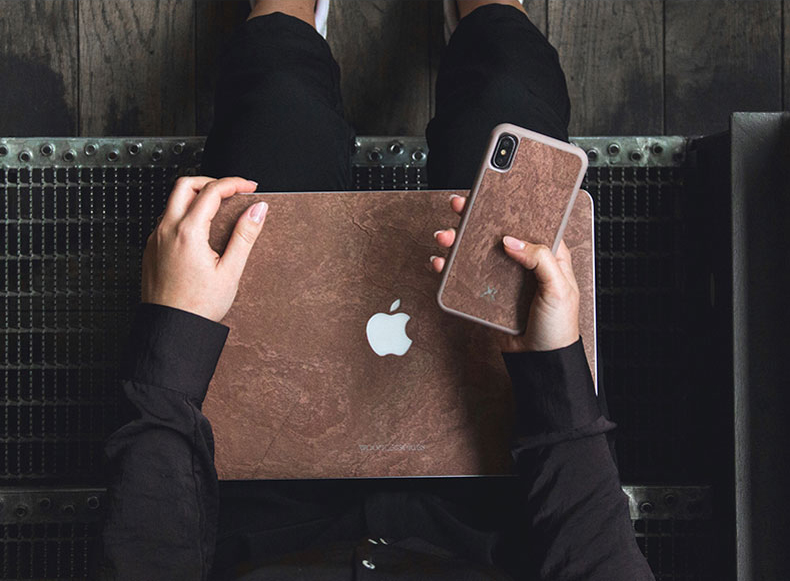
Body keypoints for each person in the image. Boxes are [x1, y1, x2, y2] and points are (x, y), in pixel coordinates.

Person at [96, 1, 655, 579]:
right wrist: (552, 364)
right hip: (497, 505)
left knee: (277, 109)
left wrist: (174, 325)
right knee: (508, 102)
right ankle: (490, 12)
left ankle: (284, 15)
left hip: (260, 509)